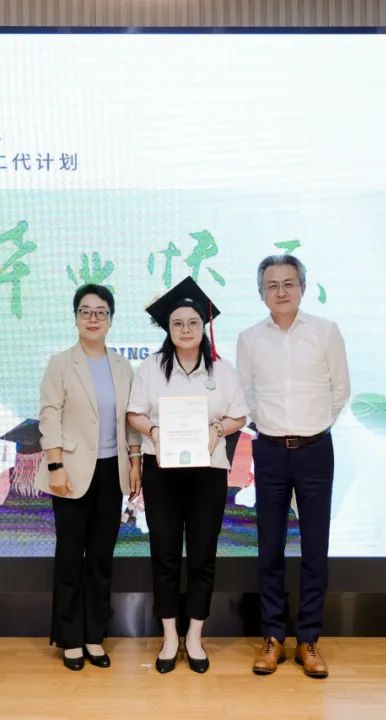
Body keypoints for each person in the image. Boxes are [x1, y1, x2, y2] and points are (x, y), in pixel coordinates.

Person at [236, 254, 350, 679]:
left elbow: (340, 390)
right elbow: (246, 394)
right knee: (269, 547)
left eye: (288, 283)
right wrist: (272, 428)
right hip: (268, 450)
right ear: (261, 293)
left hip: (316, 449)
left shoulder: (326, 332)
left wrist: (312, 427)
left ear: (302, 287)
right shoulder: (249, 339)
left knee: (315, 547)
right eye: (272, 285)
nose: (280, 291)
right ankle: (272, 637)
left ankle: (308, 639)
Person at [127, 277, 247, 674]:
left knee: (201, 555)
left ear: (203, 326)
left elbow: (239, 415)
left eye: (193, 322)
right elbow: (134, 414)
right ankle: (169, 637)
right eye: (177, 323)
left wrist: (219, 428)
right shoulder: (151, 368)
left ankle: (194, 635)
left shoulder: (222, 370)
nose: (185, 329)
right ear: (168, 328)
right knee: (164, 554)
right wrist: (154, 430)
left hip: (207, 472)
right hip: (162, 471)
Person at [34, 284, 142, 671]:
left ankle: (95, 636)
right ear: (76, 318)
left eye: (101, 312)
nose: (93, 318)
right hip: (71, 472)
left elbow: (129, 420)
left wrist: (135, 461)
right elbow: (49, 415)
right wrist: (55, 465)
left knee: (100, 558)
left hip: (112, 473)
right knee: (69, 557)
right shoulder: (61, 363)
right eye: (85, 311)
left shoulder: (122, 366)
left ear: (111, 319)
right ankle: (70, 639)